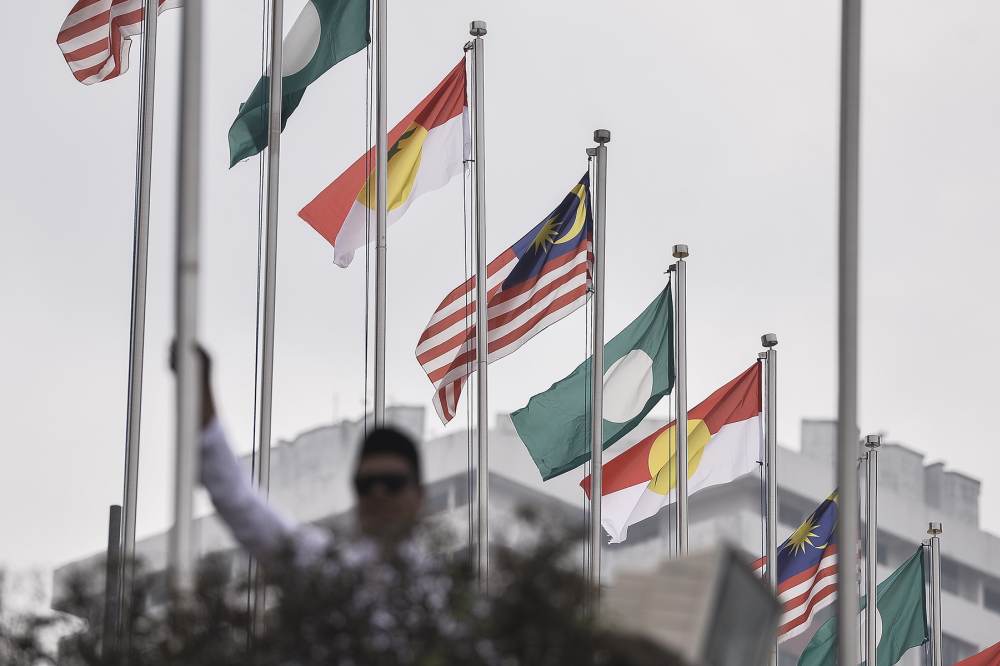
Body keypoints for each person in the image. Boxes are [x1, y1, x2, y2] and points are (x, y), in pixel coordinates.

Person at [183, 346, 427, 569]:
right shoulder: (335, 574)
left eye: (392, 484)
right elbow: (241, 505)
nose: (378, 494)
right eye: (365, 485)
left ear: (419, 494)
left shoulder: (448, 594)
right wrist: (200, 387)